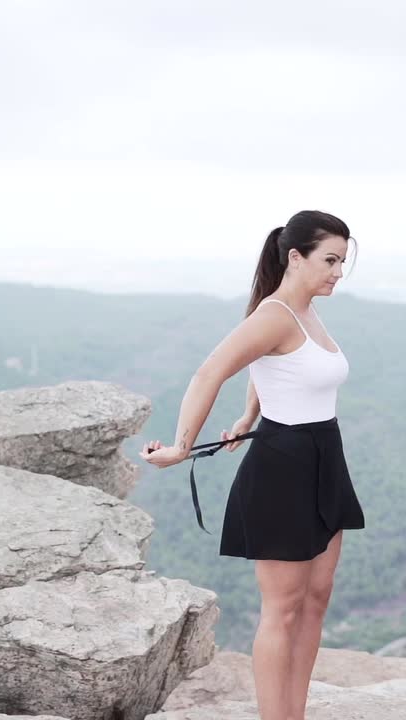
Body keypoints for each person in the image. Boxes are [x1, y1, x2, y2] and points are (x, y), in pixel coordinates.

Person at [140, 210, 366, 720]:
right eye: (330, 260)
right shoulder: (273, 315)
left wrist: (247, 413)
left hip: (324, 457)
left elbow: (272, 367)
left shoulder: (305, 310)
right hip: (283, 467)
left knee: (316, 599)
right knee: (283, 608)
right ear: (295, 256)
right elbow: (208, 373)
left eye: (342, 262)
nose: (337, 272)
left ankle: (295, 713)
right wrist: (180, 446)